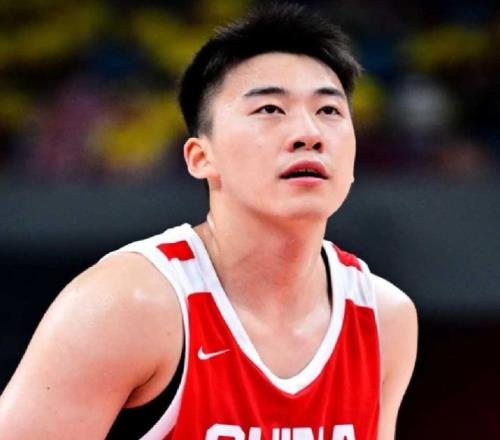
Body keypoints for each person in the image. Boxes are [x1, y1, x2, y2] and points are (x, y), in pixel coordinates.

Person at [0, 3, 417, 439]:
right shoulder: (126, 307)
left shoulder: (384, 318)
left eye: (329, 111)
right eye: (270, 109)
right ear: (201, 157)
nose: (308, 134)